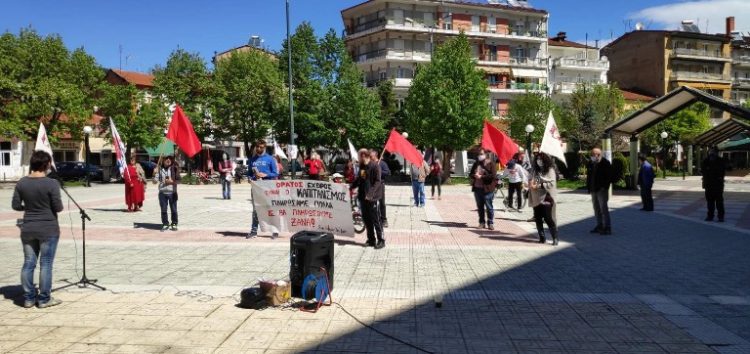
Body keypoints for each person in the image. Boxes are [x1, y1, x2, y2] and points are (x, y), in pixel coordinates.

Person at [12, 151, 64, 308]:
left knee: (29, 262)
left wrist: (28, 206)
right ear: (46, 164)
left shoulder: (21, 183)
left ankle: (28, 298)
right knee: (46, 263)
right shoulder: (51, 184)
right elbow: (58, 207)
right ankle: (44, 299)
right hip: (48, 228)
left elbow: (15, 205)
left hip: (28, 228)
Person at [351, 149, 385, 248]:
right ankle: (371, 240)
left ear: (363, 156)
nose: (358, 158)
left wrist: (370, 194)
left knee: (376, 220)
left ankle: (381, 240)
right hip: (363, 198)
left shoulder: (375, 166)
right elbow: (360, 179)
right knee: (367, 220)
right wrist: (350, 187)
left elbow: (378, 182)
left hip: (373, 198)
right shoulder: (362, 166)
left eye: (358, 156)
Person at [247, 140, 279, 238]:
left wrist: (266, 174)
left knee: (270, 208)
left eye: (261, 147)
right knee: (255, 209)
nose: (259, 149)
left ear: (264, 147)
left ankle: (275, 231)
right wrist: (250, 178)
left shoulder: (270, 159)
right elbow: (249, 173)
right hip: (256, 188)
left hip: (268, 188)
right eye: (257, 147)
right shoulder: (252, 160)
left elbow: (276, 173)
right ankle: (253, 231)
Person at [529, 152, 559, 245]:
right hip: (536, 198)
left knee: (548, 218)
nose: (539, 161)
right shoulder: (537, 171)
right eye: (537, 159)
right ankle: (542, 238)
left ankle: (555, 238)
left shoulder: (550, 170)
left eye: (541, 159)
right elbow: (536, 181)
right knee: (538, 218)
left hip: (547, 197)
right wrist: (531, 185)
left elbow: (551, 184)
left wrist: (538, 186)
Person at [469, 149, 498, 230]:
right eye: (478, 154)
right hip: (477, 188)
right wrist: (474, 175)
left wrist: (482, 176)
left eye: (481, 154)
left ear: (485, 154)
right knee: (480, 207)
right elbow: (470, 174)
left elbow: (493, 176)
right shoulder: (476, 163)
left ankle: (490, 223)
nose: (479, 155)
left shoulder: (491, 163)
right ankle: (482, 222)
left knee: (489, 206)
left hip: (488, 189)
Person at [586, 148, 612, 235]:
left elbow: (609, 177)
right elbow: (589, 176)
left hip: (601, 190)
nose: (592, 156)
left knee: (603, 209)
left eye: (593, 154)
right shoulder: (591, 163)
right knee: (596, 208)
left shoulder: (605, 163)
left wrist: (604, 187)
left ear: (598, 154)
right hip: (593, 189)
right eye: (591, 154)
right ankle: (599, 225)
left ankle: (607, 227)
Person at [156, 156, 180, 231]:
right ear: (163, 161)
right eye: (166, 159)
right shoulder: (160, 170)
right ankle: (165, 223)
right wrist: (154, 174)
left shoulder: (174, 169)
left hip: (172, 192)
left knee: (174, 209)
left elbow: (179, 180)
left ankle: (174, 223)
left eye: (170, 159)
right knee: (163, 209)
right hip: (162, 193)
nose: (168, 160)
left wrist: (172, 182)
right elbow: (154, 181)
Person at [702, 148, 726, 222]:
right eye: (710, 152)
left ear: (716, 153)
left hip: (717, 184)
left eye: (713, 152)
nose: (711, 154)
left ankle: (720, 217)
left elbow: (722, 171)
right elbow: (703, 171)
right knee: (710, 202)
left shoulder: (720, 161)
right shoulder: (706, 161)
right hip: (708, 184)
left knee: (719, 201)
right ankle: (710, 216)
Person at [370, 150, 390, 227]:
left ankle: (384, 219)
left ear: (375, 156)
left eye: (371, 156)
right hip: (371, 185)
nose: (370, 157)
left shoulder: (382, 163)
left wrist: (378, 171)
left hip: (380, 185)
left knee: (381, 203)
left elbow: (387, 172)